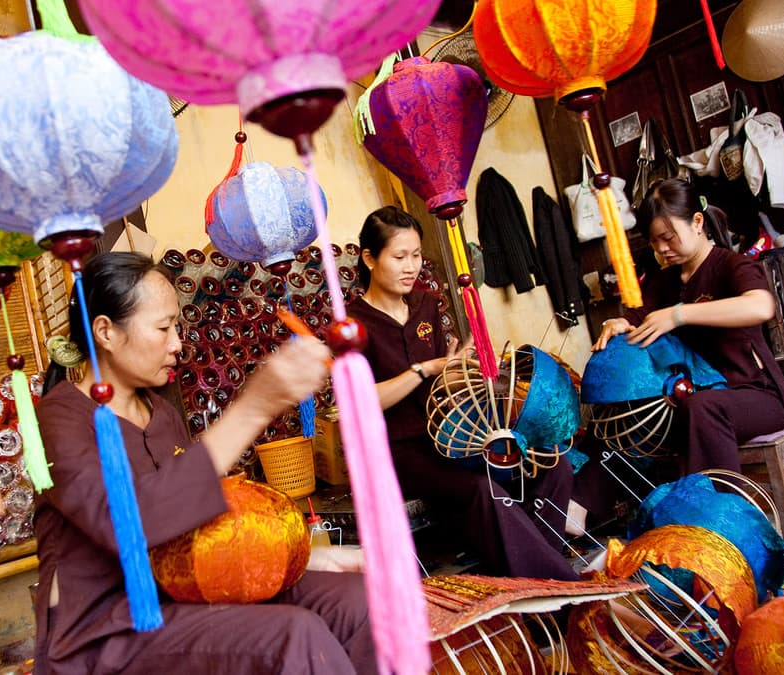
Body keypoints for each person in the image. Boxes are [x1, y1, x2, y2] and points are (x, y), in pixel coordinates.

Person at [33, 252, 376, 674]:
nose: (177, 343)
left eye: (176, 326)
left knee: (357, 602)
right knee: (293, 634)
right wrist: (252, 409)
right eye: (163, 328)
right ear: (105, 331)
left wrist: (301, 557)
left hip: (188, 593)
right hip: (105, 628)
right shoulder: (60, 417)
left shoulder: (161, 413)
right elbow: (124, 522)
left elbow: (199, 535)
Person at [345, 205, 578, 581]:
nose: (411, 266)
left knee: (552, 466)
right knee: (484, 489)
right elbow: (359, 403)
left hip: (455, 436)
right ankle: (558, 586)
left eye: (417, 255)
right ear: (370, 259)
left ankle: (542, 577)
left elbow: (445, 381)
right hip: (401, 452)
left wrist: (461, 371)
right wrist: (424, 369)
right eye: (399, 256)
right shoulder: (353, 325)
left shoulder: (424, 306)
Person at [592, 178, 784, 474]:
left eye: (669, 237)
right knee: (622, 412)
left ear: (697, 222)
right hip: (693, 398)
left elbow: (760, 306)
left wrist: (679, 315)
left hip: (754, 395)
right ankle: (575, 511)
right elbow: (638, 319)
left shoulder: (731, 265)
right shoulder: (664, 282)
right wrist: (617, 323)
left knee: (701, 407)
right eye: (654, 241)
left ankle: (715, 513)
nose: (662, 248)